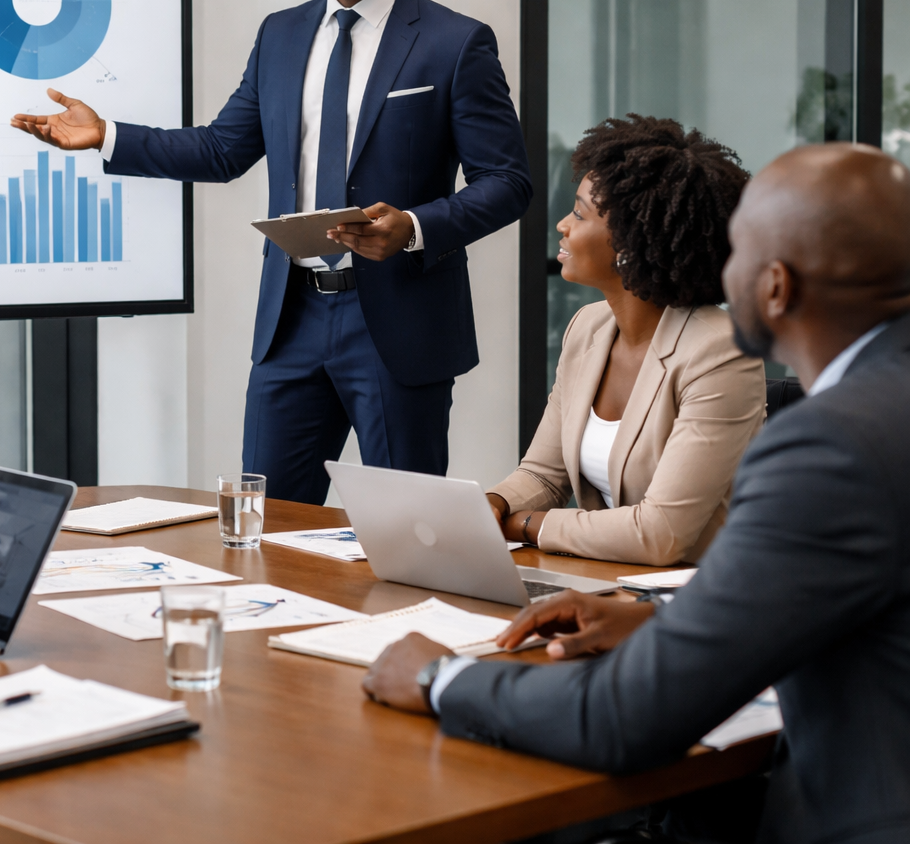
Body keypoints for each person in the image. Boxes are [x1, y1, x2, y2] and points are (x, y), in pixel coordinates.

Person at [361, 142, 910, 844]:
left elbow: (626, 717)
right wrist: (661, 619)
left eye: (734, 249)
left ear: (774, 287)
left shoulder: (831, 445)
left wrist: (441, 680)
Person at [10, 0, 531, 504]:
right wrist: (110, 135)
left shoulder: (454, 43)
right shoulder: (281, 34)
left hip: (399, 320)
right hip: (293, 316)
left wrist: (417, 227)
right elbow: (223, 149)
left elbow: (507, 181)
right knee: (267, 525)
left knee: (407, 530)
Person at [487, 116, 764, 565]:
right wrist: (490, 505)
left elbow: (660, 535)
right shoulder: (588, 328)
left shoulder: (720, 351)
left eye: (579, 213)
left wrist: (523, 526)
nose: (562, 225)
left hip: (695, 596)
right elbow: (543, 474)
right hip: (605, 578)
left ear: (630, 244)